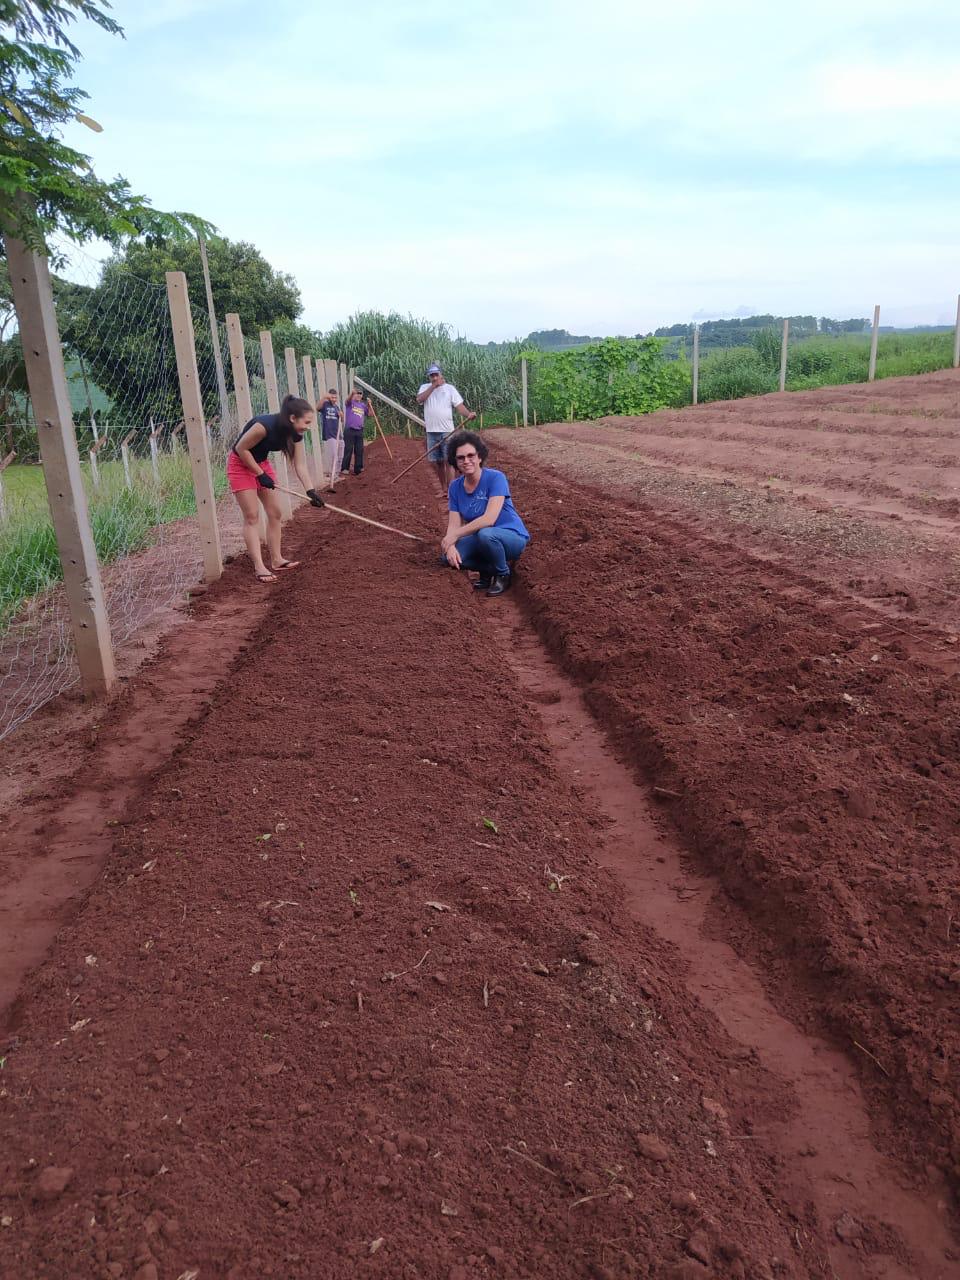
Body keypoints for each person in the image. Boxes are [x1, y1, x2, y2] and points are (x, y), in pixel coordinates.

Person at [227, 394, 325, 584]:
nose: (308, 426)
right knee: (252, 516)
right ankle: (259, 566)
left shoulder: (296, 434)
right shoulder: (264, 426)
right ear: (292, 418)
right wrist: (258, 473)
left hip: (260, 464)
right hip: (240, 464)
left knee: (275, 512)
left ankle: (277, 559)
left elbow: (300, 465)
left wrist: (310, 491)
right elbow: (241, 448)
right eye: (306, 422)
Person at [439, 431, 529, 597]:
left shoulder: (496, 478)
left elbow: (489, 519)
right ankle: (488, 570)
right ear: (455, 461)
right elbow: (453, 524)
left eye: (470, 455)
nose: (466, 461)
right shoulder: (455, 487)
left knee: (486, 534)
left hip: (510, 536)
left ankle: (503, 574)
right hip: (483, 537)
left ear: (479, 457)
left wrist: (455, 535)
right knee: (448, 558)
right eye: (460, 457)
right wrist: (450, 546)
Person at [416, 363, 476, 495]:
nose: (434, 377)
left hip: (447, 431)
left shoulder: (450, 389)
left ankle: (451, 490)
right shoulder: (425, 387)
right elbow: (419, 399)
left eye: (436, 374)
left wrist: (468, 414)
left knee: (448, 461)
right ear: (429, 377)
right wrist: (433, 386)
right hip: (431, 431)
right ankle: (443, 488)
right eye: (432, 375)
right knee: (437, 462)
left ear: (441, 374)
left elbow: (459, 406)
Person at [340, 388, 371, 477]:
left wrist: (369, 405)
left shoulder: (363, 405)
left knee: (359, 450)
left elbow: (370, 414)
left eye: (360, 393)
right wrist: (351, 394)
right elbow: (347, 401)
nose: (358, 395)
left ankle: (358, 468)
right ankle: (345, 468)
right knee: (348, 449)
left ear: (362, 395)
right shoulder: (350, 403)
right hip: (349, 430)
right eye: (357, 393)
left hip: (359, 430)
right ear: (354, 394)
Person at [318, 388, 343, 491]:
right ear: (329, 397)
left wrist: (342, 415)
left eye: (335, 397)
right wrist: (324, 397)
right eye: (332, 397)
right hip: (330, 434)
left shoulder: (337, 407)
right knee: (334, 455)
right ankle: (332, 477)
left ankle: (336, 474)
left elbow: (342, 420)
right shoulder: (325, 405)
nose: (334, 399)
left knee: (341, 454)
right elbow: (317, 407)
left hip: (338, 434)